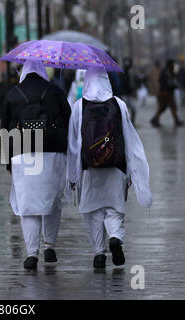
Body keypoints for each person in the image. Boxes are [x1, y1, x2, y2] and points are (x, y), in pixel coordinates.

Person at [67, 67, 152, 269]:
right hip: (115, 166)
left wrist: (72, 173)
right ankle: (114, 237)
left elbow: (73, 143)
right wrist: (131, 169)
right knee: (114, 209)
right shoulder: (119, 105)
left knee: (92, 210)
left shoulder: (79, 106)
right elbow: (129, 138)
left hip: (89, 168)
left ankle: (98, 253)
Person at [1, 60, 71, 270]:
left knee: (28, 205)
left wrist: (8, 162)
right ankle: (49, 246)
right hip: (53, 153)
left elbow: (4, 130)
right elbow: (69, 121)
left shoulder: (12, 94)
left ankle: (32, 254)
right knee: (52, 201)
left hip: (22, 155)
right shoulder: (55, 92)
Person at [150, 59, 184, 127]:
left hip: (166, 93)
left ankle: (154, 119)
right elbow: (167, 82)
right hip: (165, 93)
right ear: (169, 65)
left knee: (163, 107)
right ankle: (176, 121)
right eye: (172, 65)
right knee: (172, 106)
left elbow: (172, 80)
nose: (173, 66)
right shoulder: (166, 72)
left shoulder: (168, 71)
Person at [120, 57, 136, 125]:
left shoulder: (130, 72)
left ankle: (130, 122)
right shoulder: (124, 72)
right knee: (126, 110)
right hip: (125, 94)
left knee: (132, 109)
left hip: (128, 93)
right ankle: (126, 123)